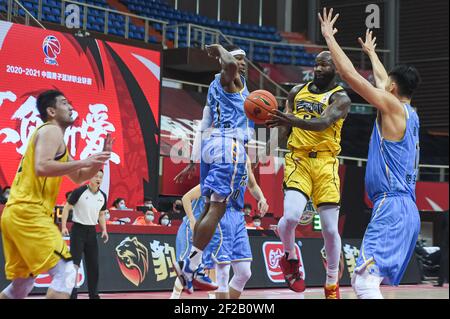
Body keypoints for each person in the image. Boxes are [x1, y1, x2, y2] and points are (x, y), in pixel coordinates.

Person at [318, 8, 421, 298]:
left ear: (392, 87)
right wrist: (373, 54)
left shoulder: (390, 107)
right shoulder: (410, 113)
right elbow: (382, 80)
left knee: (364, 282)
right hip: (404, 209)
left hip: (392, 207)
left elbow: (351, 76)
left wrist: (329, 38)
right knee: (367, 281)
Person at [0, 89, 111, 299]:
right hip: (28, 213)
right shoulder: (51, 131)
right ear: (51, 111)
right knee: (67, 272)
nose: (71, 107)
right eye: (64, 103)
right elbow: (42, 167)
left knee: (22, 285)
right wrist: (87, 160)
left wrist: (99, 159)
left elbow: (78, 176)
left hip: (16, 215)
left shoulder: (54, 137)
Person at [266, 47, 351, 297]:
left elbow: (322, 123)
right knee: (291, 217)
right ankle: (290, 260)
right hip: (298, 159)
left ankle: (331, 282)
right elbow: (284, 128)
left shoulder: (341, 98)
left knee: (330, 229)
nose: (318, 69)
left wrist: (288, 120)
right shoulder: (295, 92)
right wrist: (269, 148)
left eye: (324, 65)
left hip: (326, 163)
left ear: (335, 69)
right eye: (316, 64)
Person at [173, 44, 254, 293]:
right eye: (236, 59)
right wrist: (219, 49)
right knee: (218, 209)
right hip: (228, 146)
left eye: (243, 60)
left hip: (212, 145)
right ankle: (190, 265)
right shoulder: (229, 80)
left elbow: (204, 122)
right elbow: (228, 65)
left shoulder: (218, 88)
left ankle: (192, 265)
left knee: (209, 207)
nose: (240, 63)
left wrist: (194, 160)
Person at [171, 157, 268, 299]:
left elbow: (252, 185)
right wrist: (192, 221)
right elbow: (186, 197)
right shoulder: (215, 172)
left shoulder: (245, 161)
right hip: (200, 223)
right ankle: (175, 296)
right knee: (209, 267)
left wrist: (262, 198)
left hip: (229, 218)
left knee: (243, 272)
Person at [61, 169, 109, 299]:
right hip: (78, 231)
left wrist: (104, 229)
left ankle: (94, 295)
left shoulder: (102, 196)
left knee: (94, 265)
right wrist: (64, 225)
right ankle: (71, 295)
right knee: (74, 265)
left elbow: (101, 214)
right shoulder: (79, 191)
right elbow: (66, 207)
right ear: (89, 177)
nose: (98, 179)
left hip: (92, 232)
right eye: (95, 176)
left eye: (100, 177)